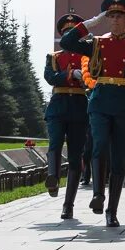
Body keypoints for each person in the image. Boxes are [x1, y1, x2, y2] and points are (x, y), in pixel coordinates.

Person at [59, 0, 125, 227]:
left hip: (123, 103)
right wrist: (89, 24)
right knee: (99, 146)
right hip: (100, 102)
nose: (115, 20)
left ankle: (112, 210)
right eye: (111, 16)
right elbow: (67, 43)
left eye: (119, 16)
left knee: (119, 157)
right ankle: (98, 194)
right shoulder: (97, 42)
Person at [43, 13, 90, 219]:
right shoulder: (54, 57)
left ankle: (68, 205)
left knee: (75, 156)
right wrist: (69, 75)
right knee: (54, 142)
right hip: (58, 105)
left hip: (79, 106)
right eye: (67, 32)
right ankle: (52, 176)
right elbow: (50, 77)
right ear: (62, 35)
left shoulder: (86, 57)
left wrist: (83, 79)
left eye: (74, 33)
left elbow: (93, 78)